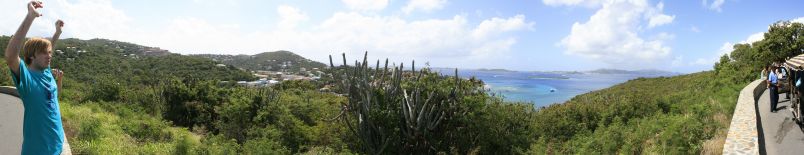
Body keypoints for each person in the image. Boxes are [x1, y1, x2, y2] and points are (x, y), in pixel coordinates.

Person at [4, 1, 66, 154]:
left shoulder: (46, 71)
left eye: (50, 53)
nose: (49, 56)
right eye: (45, 53)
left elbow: (55, 96)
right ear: (32, 56)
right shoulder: (27, 78)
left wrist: (57, 33)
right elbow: (11, 57)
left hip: (56, 146)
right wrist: (30, 17)